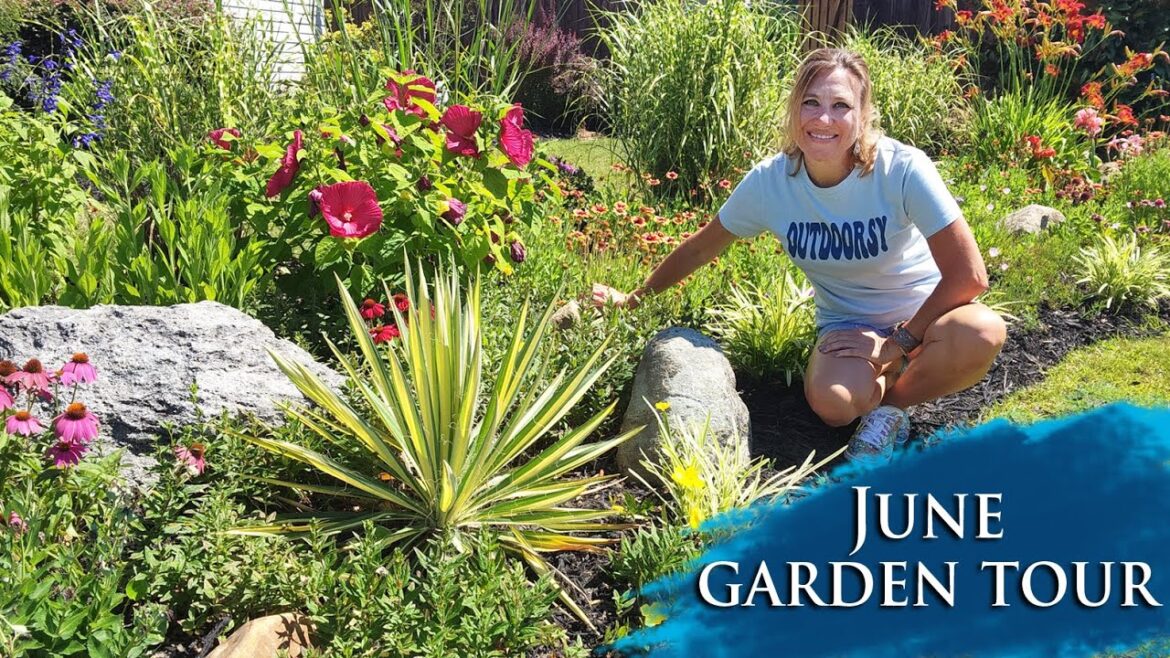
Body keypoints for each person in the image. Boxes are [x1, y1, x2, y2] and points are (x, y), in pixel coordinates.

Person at [591, 47, 1007, 459]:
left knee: (982, 332)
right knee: (834, 406)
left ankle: (891, 407)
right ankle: (881, 393)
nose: (823, 119)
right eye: (811, 102)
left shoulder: (900, 169)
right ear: (794, 111)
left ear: (862, 117)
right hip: (848, 326)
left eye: (840, 105)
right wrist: (631, 300)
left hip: (928, 318)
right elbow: (701, 247)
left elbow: (969, 276)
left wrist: (897, 343)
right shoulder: (771, 184)